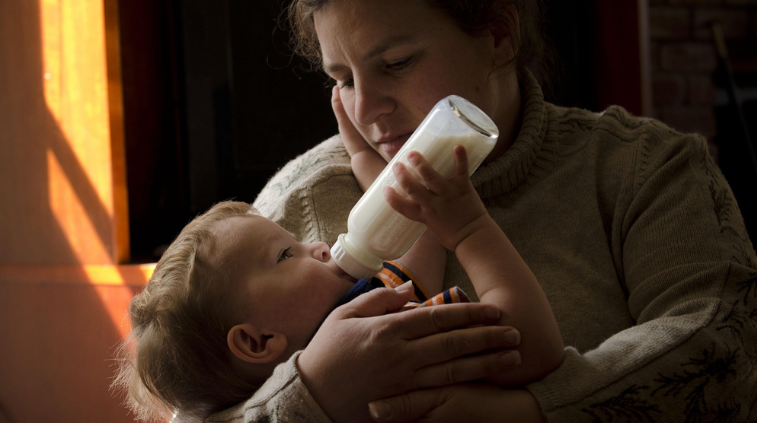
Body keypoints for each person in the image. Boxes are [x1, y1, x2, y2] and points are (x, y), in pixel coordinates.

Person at [239, 0, 757, 422]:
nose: (368, 108)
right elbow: (183, 407)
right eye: (343, 79)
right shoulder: (298, 204)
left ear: (498, 34)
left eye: (397, 63)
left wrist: (531, 412)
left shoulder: (645, 169)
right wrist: (312, 393)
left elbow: (728, 349)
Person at [113, 144, 565, 421]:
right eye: (286, 254)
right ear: (257, 341)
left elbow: (417, 237)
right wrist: (469, 228)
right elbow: (529, 346)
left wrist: (370, 160)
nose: (319, 245)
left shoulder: (364, 300)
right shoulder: (380, 349)